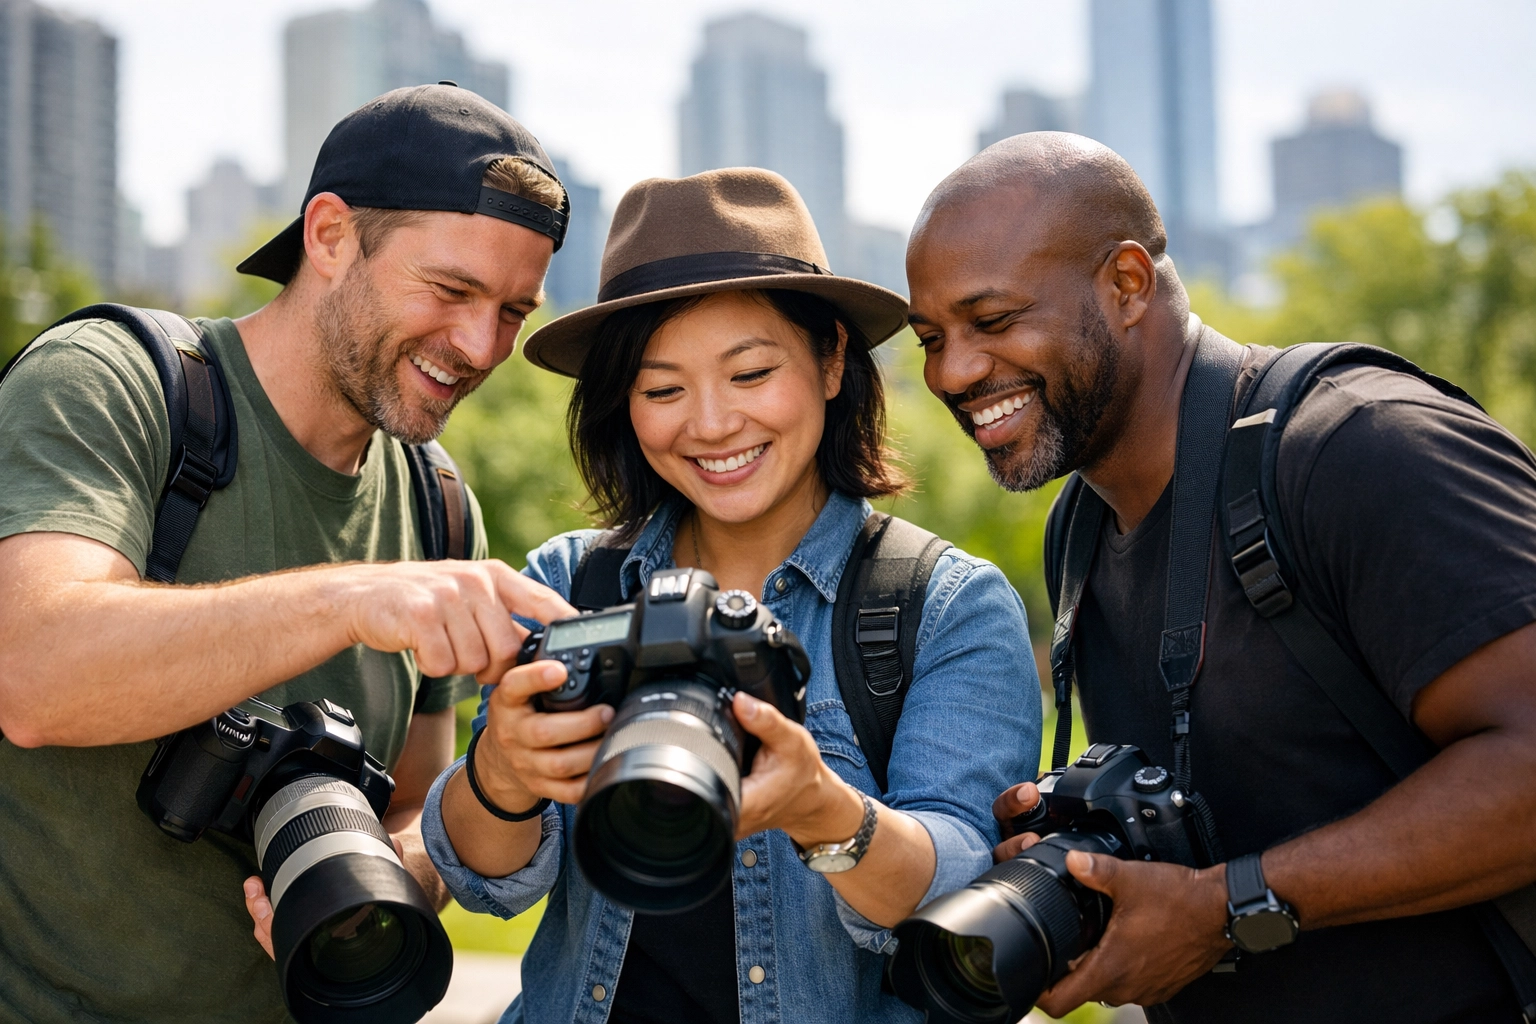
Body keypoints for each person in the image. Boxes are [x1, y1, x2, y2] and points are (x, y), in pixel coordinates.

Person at [903, 130, 1536, 1023]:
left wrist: (1227, 909)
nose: (952, 371)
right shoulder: (1076, 531)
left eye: (993, 321)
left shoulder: (1359, 446)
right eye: (931, 338)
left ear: (1125, 284)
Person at [0, 84, 577, 1024]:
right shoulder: (111, 382)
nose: (480, 345)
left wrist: (398, 871)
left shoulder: (438, 508)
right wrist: (352, 599)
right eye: (451, 290)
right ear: (329, 235)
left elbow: (410, 820)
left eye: (513, 311)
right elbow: (30, 671)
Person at [421, 167, 1040, 1023]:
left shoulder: (940, 608)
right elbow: (484, 878)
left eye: (750, 375)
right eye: (663, 389)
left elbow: (962, 886)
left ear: (830, 362)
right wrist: (503, 770)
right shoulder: (571, 585)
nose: (710, 424)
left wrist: (820, 809)